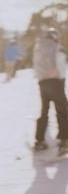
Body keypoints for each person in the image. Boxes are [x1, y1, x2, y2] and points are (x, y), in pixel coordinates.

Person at [33, 27, 68, 155]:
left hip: (42, 83)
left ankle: (39, 141)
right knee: (63, 110)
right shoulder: (54, 46)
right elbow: (57, 64)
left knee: (44, 111)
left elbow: (36, 66)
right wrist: (55, 73)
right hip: (55, 81)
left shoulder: (39, 47)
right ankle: (65, 141)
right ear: (54, 36)